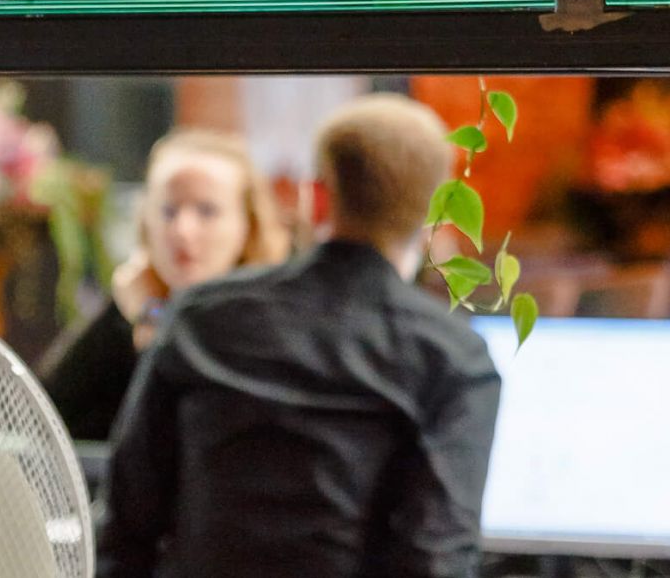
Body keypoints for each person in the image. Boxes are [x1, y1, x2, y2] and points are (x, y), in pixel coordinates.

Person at [97, 93, 502, 578]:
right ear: (435, 211)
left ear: (317, 196)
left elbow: (127, 522)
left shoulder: (202, 318)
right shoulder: (453, 358)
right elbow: (435, 557)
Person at [42, 129, 289, 441]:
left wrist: (149, 315)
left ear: (248, 224)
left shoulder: (273, 319)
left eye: (207, 210)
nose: (183, 231)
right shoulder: (132, 296)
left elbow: (199, 411)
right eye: (168, 211)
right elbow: (43, 414)